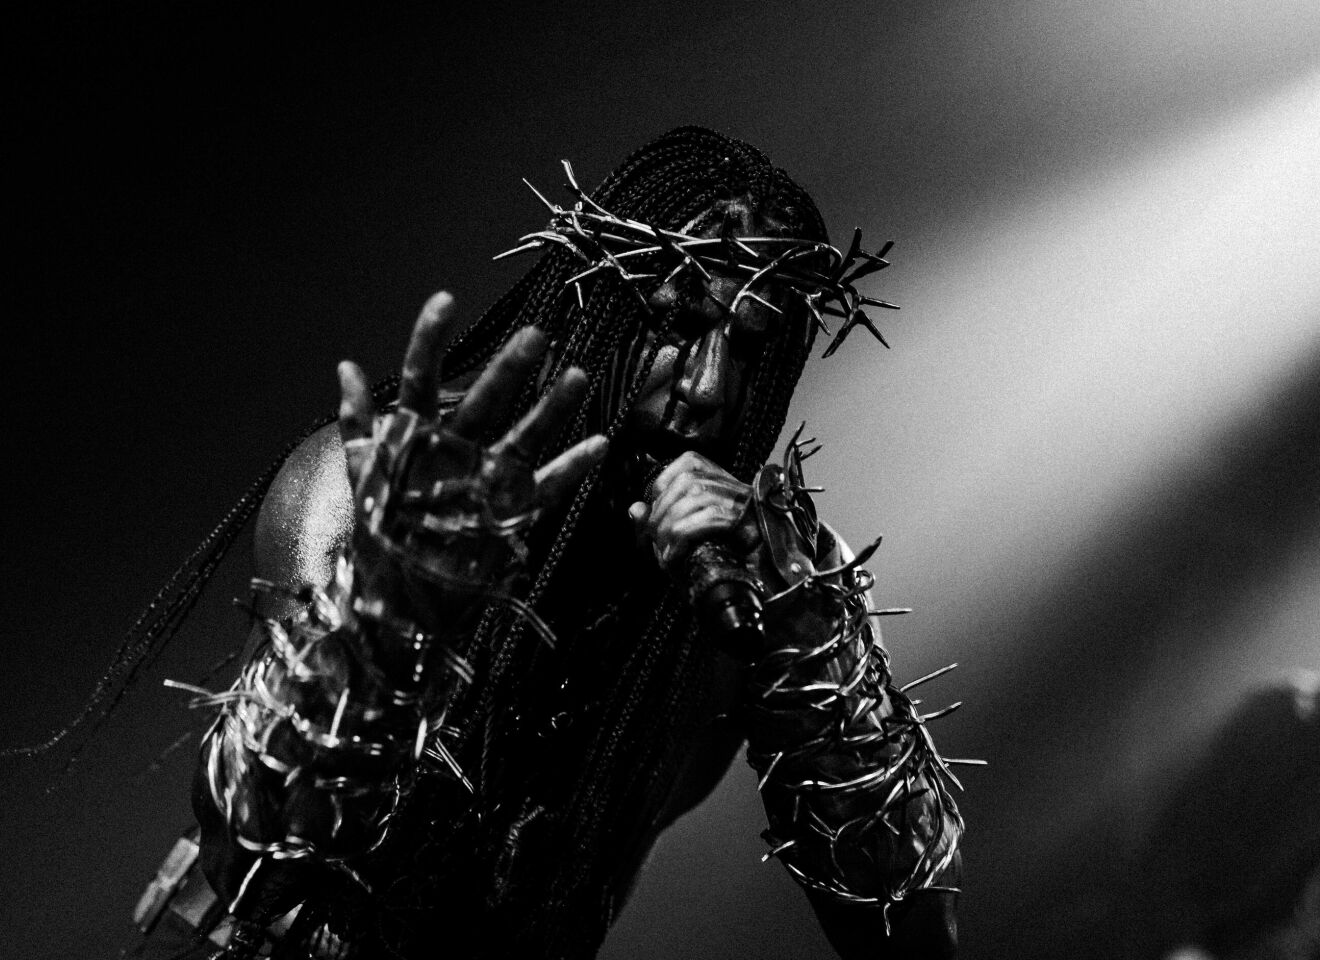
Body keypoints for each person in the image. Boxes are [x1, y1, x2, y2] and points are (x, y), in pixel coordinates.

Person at [126, 126, 966, 959]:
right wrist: (384, 631)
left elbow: (916, 948)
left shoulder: (771, 575)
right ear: (594, 303)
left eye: (749, 349)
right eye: (680, 324)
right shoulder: (378, 490)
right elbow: (254, 873)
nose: (708, 389)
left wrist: (809, 645)